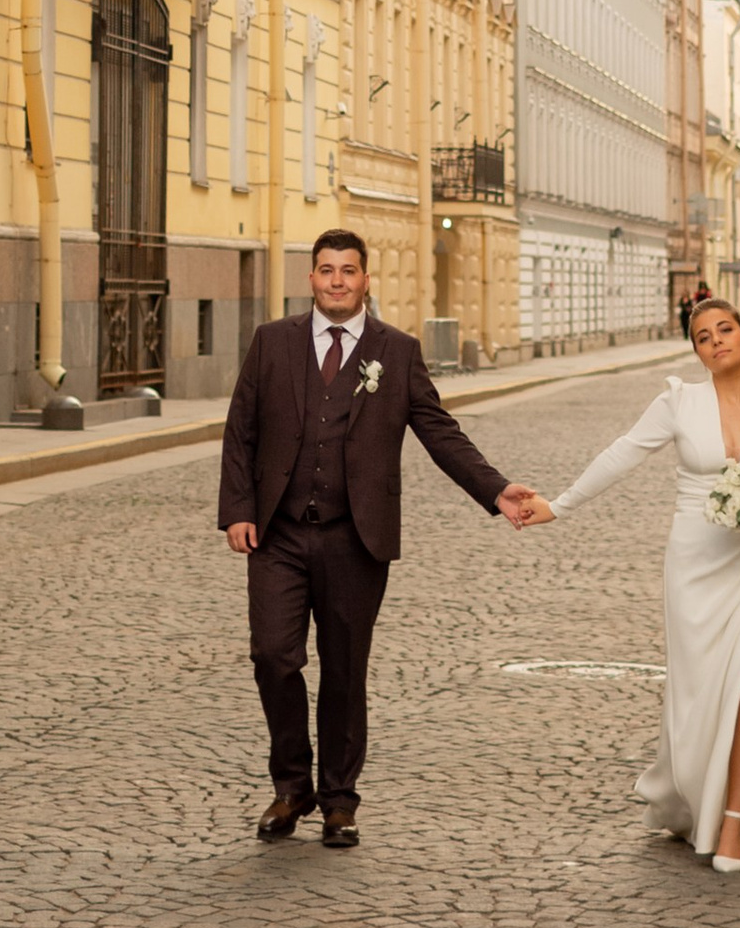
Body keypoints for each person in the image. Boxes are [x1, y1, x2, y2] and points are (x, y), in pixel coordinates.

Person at [218, 227, 539, 850]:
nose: (336, 281)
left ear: (366, 280)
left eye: (348, 271)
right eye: (325, 270)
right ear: (310, 279)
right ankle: (291, 787)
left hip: (355, 539)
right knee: (272, 656)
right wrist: (237, 510)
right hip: (279, 535)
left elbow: (439, 431)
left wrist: (495, 491)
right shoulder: (272, 343)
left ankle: (339, 800)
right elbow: (241, 432)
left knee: (344, 671)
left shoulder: (396, 351)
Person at [510, 291, 740, 876]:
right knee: (700, 695)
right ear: (697, 351)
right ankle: (684, 799)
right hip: (695, 564)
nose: (716, 342)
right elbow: (621, 455)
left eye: (725, 329)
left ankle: (733, 824)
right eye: (703, 337)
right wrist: (560, 505)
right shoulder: (678, 403)